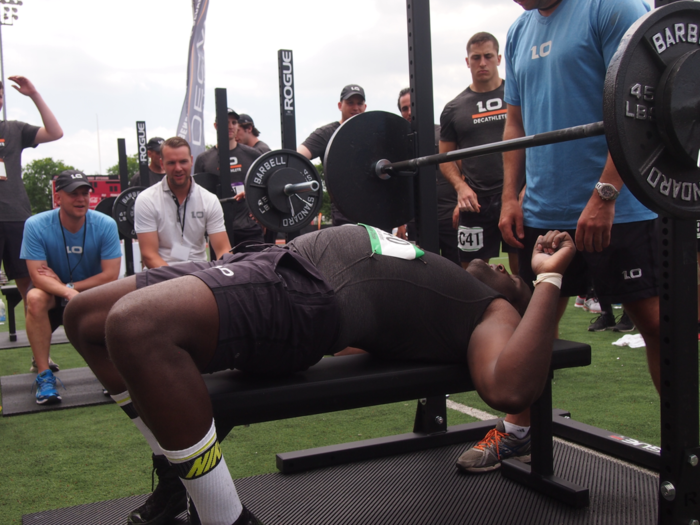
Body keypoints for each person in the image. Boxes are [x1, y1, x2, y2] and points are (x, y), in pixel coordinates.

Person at [64, 224, 575, 524]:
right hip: (274, 260)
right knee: (83, 318)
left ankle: (226, 517)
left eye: (512, 276)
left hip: (305, 291)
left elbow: (508, 386)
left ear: (515, 302)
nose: (498, 266)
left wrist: (546, 278)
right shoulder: (446, 278)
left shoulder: (490, 311)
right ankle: (176, 475)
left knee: (134, 326)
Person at [456, 0, 659, 473]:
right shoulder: (519, 29)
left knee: (654, 327)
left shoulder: (612, 8)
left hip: (619, 210)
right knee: (532, 323)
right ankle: (517, 431)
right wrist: (510, 197)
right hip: (544, 212)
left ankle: (684, 445)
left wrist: (606, 194)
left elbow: (640, 106)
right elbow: (516, 124)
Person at [21, 170, 121, 404]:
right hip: (53, 295)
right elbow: (38, 277)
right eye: (73, 194)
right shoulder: (36, 224)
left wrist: (69, 285)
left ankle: (110, 373)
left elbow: (110, 276)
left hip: (90, 295)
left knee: (116, 298)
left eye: (85, 193)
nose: (81, 199)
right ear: (58, 198)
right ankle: (44, 376)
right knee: (34, 298)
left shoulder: (105, 224)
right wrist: (66, 291)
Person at [439, 32, 518, 274]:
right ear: (467, 62)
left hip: (516, 197)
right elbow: (445, 159)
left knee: (524, 277)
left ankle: (523, 314)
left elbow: (536, 146)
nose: (482, 63)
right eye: (476, 58)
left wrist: (527, 190)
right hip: (476, 204)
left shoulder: (518, 96)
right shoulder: (454, 108)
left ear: (499, 58)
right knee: (473, 279)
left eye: (487, 56)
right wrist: (461, 188)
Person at [0, 76, 63, 309]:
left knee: (31, 291)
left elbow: (55, 133)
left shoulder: (13, 129)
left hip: (17, 216)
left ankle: (38, 337)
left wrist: (34, 94)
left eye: (0, 95)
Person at [134, 137, 231, 269]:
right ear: (162, 164)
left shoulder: (209, 199)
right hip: (159, 275)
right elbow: (149, 255)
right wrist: (179, 282)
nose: (178, 168)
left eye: (183, 161)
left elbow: (223, 250)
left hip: (199, 274)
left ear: (191, 161)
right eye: (171, 163)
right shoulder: (147, 199)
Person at [396, 87, 459, 265]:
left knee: (457, 273)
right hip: (418, 221)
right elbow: (398, 186)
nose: (409, 112)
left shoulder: (443, 135)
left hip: (449, 217)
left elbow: (463, 170)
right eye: (404, 108)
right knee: (423, 272)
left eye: (412, 107)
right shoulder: (398, 142)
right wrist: (401, 222)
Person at [193, 109, 264, 248]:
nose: (230, 126)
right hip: (218, 230)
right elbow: (197, 195)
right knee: (222, 269)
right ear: (215, 126)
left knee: (255, 268)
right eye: (226, 122)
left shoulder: (252, 155)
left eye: (234, 122)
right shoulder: (204, 159)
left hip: (249, 229)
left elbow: (264, 186)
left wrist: (261, 214)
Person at [298, 85, 367, 226]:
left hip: (375, 211)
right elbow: (297, 157)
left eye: (359, 103)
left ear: (365, 106)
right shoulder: (327, 133)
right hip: (344, 213)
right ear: (340, 105)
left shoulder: (373, 132)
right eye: (350, 103)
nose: (355, 107)